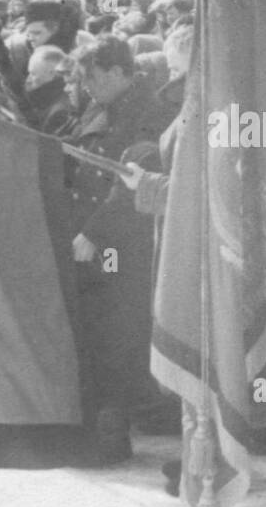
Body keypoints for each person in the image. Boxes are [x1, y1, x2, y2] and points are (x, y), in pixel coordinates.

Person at [66, 34, 167, 463]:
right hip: (92, 235)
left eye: (91, 77)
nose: (85, 85)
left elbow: (132, 181)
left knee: (119, 334)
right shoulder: (99, 106)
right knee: (98, 331)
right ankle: (103, 425)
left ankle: (113, 434)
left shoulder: (153, 110)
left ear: (116, 72)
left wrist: (95, 231)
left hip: (123, 241)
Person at [22, 45, 73, 136]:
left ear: (51, 74)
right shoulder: (46, 102)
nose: (28, 80)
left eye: (33, 74)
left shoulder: (58, 112)